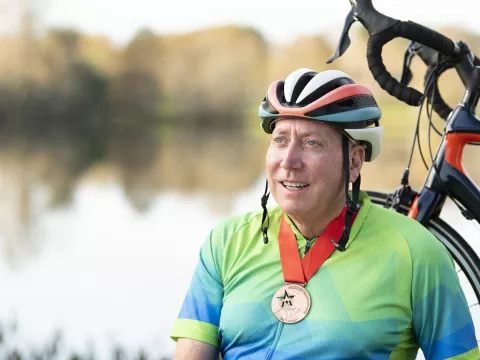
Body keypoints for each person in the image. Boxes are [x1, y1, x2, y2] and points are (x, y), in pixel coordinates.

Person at [170, 69, 479, 359]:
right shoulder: (227, 242)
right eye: (280, 140)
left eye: (311, 143)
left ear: (355, 162)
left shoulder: (417, 252)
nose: (289, 160)